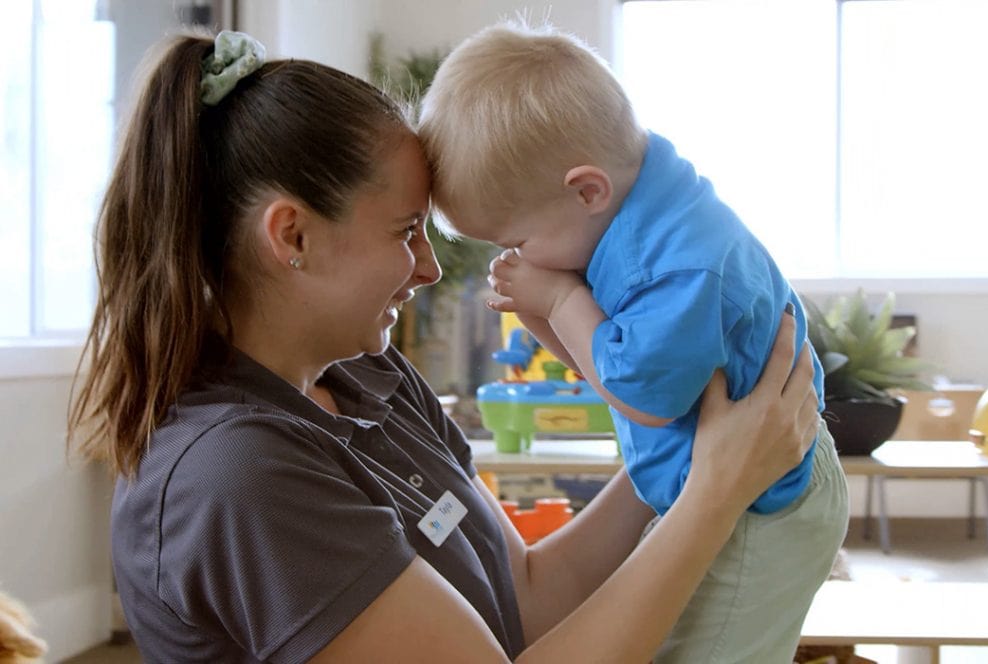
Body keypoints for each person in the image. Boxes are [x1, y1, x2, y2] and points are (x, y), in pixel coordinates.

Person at [68, 30, 822, 663]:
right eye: (405, 232)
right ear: (291, 236)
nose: (429, 269)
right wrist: (716, 493)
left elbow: (522, 596)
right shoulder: (237, 475)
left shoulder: (372, 376)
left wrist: (698, 446)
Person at [418, 21, 850, 663]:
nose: (513, 257)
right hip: (723, 477)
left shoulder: (678, 267)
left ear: (586, 189)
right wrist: (542, 313)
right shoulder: (629, 212)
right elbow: (611, 370)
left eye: (516, 239)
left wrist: (561, 302)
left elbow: (642, 398)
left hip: (765, 504)